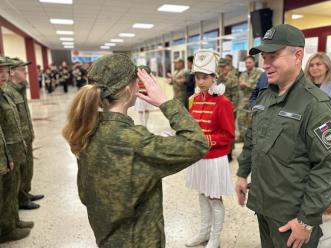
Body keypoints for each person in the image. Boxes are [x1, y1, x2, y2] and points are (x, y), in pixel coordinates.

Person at [62, 53, 208, 248]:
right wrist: (166, 103)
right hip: (139, 240)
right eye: (135, 81)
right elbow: (197, 143)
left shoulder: (87, 131)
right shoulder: (134, 140)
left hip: (106, 237)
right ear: (128, 89)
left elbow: (84, 194)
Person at [235, 24, 331, 248]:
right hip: (263, 205)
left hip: (292, 216)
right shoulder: (265, 97)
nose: (266, 65)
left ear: (298, 56)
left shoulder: (316, 105)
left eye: (273, 56)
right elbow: (252, 140)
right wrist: (242, 173)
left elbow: (326, 169)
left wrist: (307, 220)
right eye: (264, 57)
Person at [185, 49, 235, 248]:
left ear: (214, 77)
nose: (200, 81)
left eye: (204, 77)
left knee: (214, 198)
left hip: (214, 158)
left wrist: (205, 140)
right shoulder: (194, 99)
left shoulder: (223, 102)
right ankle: (204, 232)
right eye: (197, 77)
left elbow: (229, 134)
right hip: (198, 158)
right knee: (202, 195)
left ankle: (215, 237)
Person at [0, 56, 32, 243]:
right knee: (5, 193)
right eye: (1, 71)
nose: (5, 75)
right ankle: (5, 230)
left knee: (11, 189)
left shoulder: (4, 93)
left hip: (9, 151)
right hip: (5, 154)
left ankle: (12, 222)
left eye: (6, 71)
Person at [5, 58, 44, 210]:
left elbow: (25, 114)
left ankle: (25, 194)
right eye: (22, 70)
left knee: (28, 167)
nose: (25, 72)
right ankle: (21, 199)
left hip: (25, 135)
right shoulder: (8, 91)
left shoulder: (18, 89)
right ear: (13, 72)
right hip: (17, 138)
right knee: (20, 170)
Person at [305, 52, 331, 117]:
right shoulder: (303, 85)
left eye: (318, 64)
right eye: (311, 65)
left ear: (327, 67)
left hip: (324, 124)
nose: (314, 68)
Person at [217, 58, 238, 162]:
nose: (222, 69)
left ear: (228, 66)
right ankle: (222, 150)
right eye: (220, 66)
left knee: (229, 130)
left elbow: (235, 95)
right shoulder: (218, 78)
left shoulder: (233, 78)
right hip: (219, 108)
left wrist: (233, 108)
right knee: (220, 130)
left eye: (224, 66)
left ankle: (229, 152)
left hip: (229, 108)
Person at [237, 55, 262, 141]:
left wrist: (246, 84)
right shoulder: (243, 73)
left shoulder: (259, 73)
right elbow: (239, 85)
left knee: (252, 120)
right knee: (241, 118)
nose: (247, 64)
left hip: (255, 99)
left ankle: (251, 139)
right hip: (244, 99)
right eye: (246, 63)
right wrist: (241, 85)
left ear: (254, 63)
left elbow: (259, 87)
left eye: (249, 62)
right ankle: (242, 136)